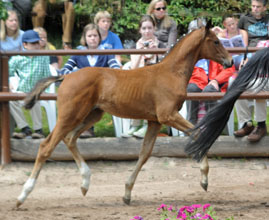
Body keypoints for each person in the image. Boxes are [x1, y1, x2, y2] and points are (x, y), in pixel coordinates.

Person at [59, 23, 121, 138]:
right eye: (90, 36)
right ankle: (76, 128)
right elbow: (64, 70)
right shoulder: (78, 55)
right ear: (85, 38)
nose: (93, 39)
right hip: (82, 91)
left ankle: (85, 129)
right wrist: (80, 78)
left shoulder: (106, 54)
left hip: (100, 93)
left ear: (99, 38)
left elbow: (116, 69)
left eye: (95, 36)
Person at [121, 15, 165, 138]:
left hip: (156, 80)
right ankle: (135, 125)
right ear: (140, 30)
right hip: (139, 78)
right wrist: (141, 52)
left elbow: (164, 67)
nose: (147, 31)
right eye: (144, 28)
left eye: (150, 28)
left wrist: (156, 51)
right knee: (135, 90)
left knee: (148, 90)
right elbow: (134, 68)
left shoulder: (161, 45)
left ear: (154, 29)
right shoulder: (136, 46)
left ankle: (147, 124)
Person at [186, 19, 236, 125]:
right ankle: (191, 125)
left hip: (215, 83)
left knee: (209, 90)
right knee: (191, 88)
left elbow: (229, 68)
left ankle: (212, 125)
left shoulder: (215, 47)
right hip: (196, 82)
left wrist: (216, 80)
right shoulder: (187, 52)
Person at [233, 0, 269, 142]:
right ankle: (246, 123)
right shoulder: (244, 19)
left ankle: (260, 125)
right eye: (253, 6)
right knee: (235, 84)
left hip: (265, 57)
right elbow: (242, 42)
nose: (255, 9)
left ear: (265, 7)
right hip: (249, 58)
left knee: (260, 85)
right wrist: (244, 58)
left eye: (258, 7)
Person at [9, 30, 51, 139]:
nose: (36, 46)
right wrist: (9, 82)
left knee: (34, 98)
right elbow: (7, 71)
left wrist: (44, 90)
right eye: (33, 44)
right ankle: (25, 128)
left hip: (36, 91)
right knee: (10, 100)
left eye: (37, 43)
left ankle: (38, 130)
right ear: (25, 45)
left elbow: (47, 75)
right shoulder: (17, 58)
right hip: (22, 91)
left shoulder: (44, 57)